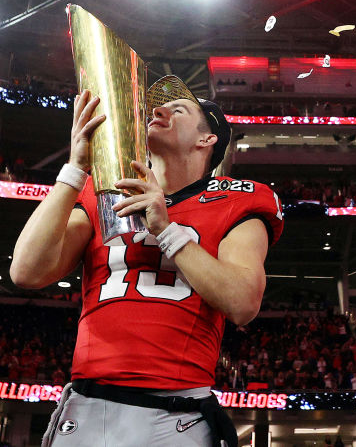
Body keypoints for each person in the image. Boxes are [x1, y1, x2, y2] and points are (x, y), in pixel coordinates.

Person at [11, 78, 283, 446]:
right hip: (87, 405)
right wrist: (75, 169)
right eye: (158, 108)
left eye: (179, 109)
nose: (158, 112)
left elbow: (243, 303)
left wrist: (166, 229)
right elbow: (26, 271)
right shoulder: (105, 191)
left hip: (174, 414)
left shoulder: (237, 201)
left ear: (207, 139)